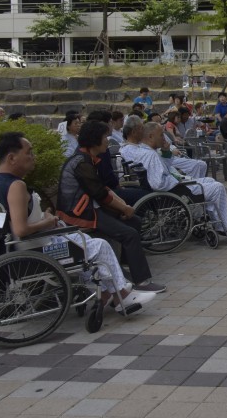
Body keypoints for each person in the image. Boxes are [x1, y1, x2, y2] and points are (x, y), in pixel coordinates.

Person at [0, 131, 154, 313]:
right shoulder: (17, 186)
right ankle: (121, 295)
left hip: (21, 246)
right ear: (12, 158)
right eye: (29, 152)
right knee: (100, 246)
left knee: (84, 243)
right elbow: (21, 228)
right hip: (36, 249)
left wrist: (44, 218)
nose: (33, 157)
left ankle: (107, 293)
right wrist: (48, 222)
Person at [57, 120, 166, 294]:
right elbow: (101, 194)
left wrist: (123, 207)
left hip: (91, 208)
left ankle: (124, 268)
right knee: (129, 233)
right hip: (81, 214)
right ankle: (142, 282)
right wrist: (123, 208)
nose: (108, 140)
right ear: (95, 140)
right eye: (104, 137)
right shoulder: (81, 163)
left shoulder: (88, 158)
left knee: (134, 221)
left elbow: (103, 189)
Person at [124, 121, 227, 235]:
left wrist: (166, 151)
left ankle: (219, 216)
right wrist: (178, 180)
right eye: (161, 135)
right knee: (217, 187)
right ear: (150, 137)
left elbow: (164, 167)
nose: (164, 138)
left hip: (175, 185)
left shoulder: (146, 151)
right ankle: (224, 226)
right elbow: (158, 183)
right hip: (176, 190)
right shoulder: (150, 155)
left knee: (210, 181)